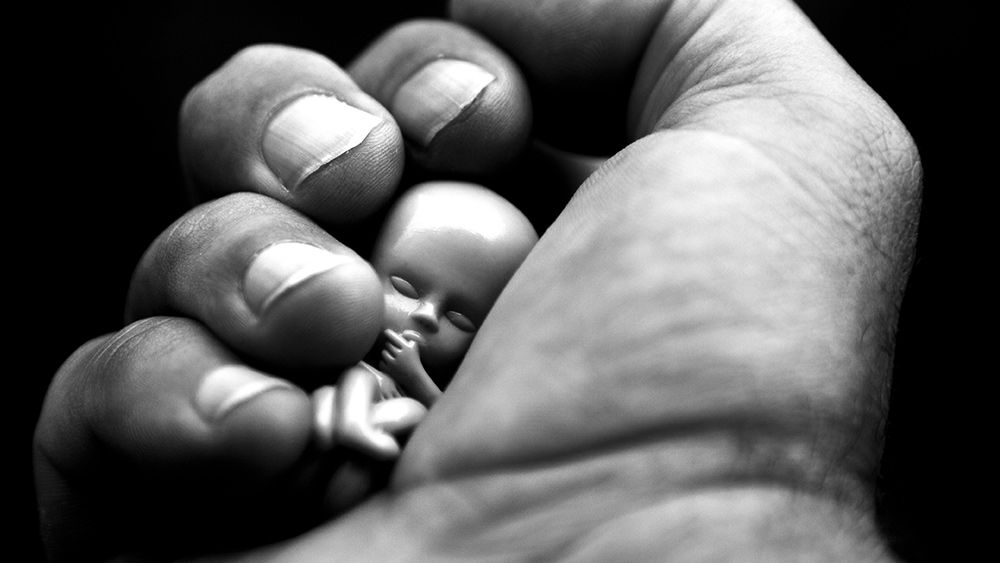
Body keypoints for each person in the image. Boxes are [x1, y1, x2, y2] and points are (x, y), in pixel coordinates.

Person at [33, 0, 922, 562]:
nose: (420, 318)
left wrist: (711, 501)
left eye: (457, 315)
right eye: (404, 284)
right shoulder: (334, 333)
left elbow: (418, 405)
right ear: (362, 255)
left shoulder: (437, 385)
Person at [314, 181, 537, 462]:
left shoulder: (466, 386)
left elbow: (449, 414)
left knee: (414, 411)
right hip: (342, 401)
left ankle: (365, 431)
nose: (427, 315)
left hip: (395, 432)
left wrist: (412, 374)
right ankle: (352, 426)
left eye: (458, 319)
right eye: (404, 289)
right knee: (358, 380)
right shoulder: (345, 335)